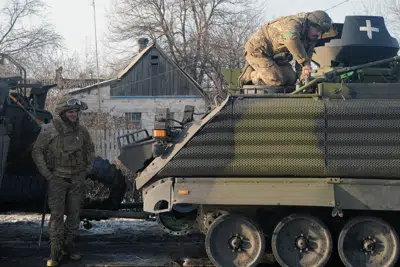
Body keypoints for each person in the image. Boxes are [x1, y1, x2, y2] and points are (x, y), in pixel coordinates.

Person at [32, 95, 95, 267]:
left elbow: (90, 149)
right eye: (70, 112)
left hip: (77, 179)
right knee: (57, 217)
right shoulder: (49, 130)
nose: (74, 115)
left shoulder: (81, 130)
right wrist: (48, 174)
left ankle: (68, 244)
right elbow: (37, 152)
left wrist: (86, 170)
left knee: (74, 216)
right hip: (57, 179)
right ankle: (55, 251)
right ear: (63, 113)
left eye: (75, 111)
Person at [239, 10, 333, 87]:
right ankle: (250, 76)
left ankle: (262, 71)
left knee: (291, 78)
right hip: (258, 50)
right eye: (318, 30)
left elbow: (305, 63)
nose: (319, 35)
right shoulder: (294, 23)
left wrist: (305, 81)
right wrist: (304, 62)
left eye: (322, 32)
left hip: (276, 57)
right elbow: (290, 40)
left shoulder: (311, 38)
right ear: (310, 24)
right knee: (275, 79)